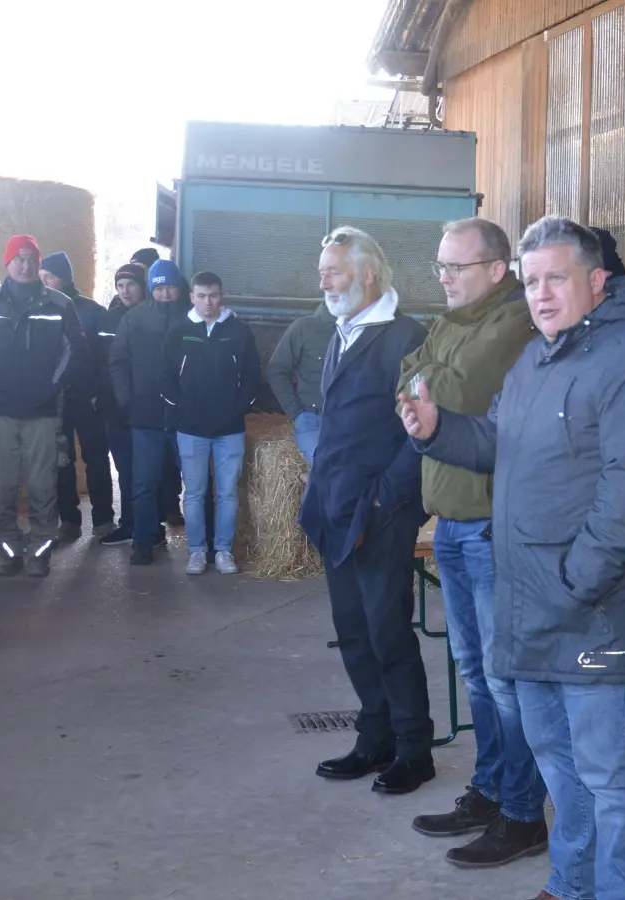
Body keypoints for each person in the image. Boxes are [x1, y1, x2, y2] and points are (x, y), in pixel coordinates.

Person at [401, 217, 625, 900]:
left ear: (596, 281)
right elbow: (500, 442)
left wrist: (572, 586)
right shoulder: (537, 360)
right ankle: (570, 883)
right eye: (532, 282)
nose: (542, 294)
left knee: (612, 780)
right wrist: (441, 430)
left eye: (556, 278)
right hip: (531, 611)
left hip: (596, 620)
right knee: (559, 768)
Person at [402, 218, 548, 868]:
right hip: (452, 520)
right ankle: (490, 789)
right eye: (440, 266)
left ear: (496, 270)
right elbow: (407, 383)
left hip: (489, 523)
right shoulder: (451, 321)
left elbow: (454, 390)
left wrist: (430, 376)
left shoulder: (512, 322)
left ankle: (523, 814)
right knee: (474, 672)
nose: (443, 278)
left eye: (455, 268)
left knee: (504, 677)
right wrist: (429, 376)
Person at [300, 226, 434, 794]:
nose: (324, 282)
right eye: (323, 272)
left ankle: (413, 748)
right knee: (352, 631)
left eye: (333, 271)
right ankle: (373, 736)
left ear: (368, 275)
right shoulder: (343, 330)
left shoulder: (405, 337)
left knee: (388, 632)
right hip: (337, 507)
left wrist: (386, 495)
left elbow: (419, 431)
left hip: (379, 511)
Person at [0, 234, 84, 577]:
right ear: (6, 263)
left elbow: (75, 351)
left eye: (32, 258)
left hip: (43, 411)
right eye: (18, 259)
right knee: (0, 486)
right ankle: (7, 551)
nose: (25, 264)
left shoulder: (60, 305)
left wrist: (53, 386)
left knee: (42, 486)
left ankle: (40, 553)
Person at [161, 271, 259, 575]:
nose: (207, 302)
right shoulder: (178, 331)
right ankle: (197, 551)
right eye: (201, 296)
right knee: (193, 492)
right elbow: (165, 378)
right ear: (191, 297)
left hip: (229, 429)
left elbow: (253, 378)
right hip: (190, 428)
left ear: (222, 295)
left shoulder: (239, 332)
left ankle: (224, 550)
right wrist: (181, 409)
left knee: (227, 492)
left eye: (213, 295)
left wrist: (237, 409)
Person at [109, 259, 188, 565]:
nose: (165, 294)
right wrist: (126, 397)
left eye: (170, 287)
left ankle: (202, 545)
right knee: (143, 483)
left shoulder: (191, 318)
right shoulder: (135, 319)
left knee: (195, 486)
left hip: (185, 418)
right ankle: (144, 540)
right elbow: (117, 360)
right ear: (151, 289)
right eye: (159, 288)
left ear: (180, 289)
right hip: (145, 417)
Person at [40, 251, 115, 540]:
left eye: (51, 276)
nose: (46, 282)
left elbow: (107, 358)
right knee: (62, 461)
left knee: (96, 458)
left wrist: (98, 392)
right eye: (42, 276)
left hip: (88, 398)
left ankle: (104, 519)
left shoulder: (93, 311)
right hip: (57, 398)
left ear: (66, 278)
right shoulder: (43, 309)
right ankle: (69, 520)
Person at [98, 261, 147, 547]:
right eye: (120, 285)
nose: (126, 291)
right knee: (126, 471)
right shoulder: (109, 319)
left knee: (147, 472)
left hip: (148, 408)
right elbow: (102, 362)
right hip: (117, 408)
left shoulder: (153, 317)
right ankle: (129, 524)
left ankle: (150, 527)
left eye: (131, 284)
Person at [266, 303, 336, 462]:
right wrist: (297, 412)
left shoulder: (364, 331)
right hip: (313, 417)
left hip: (352, 419)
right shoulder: (303, 328)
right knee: (324, 467)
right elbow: (276, 370)